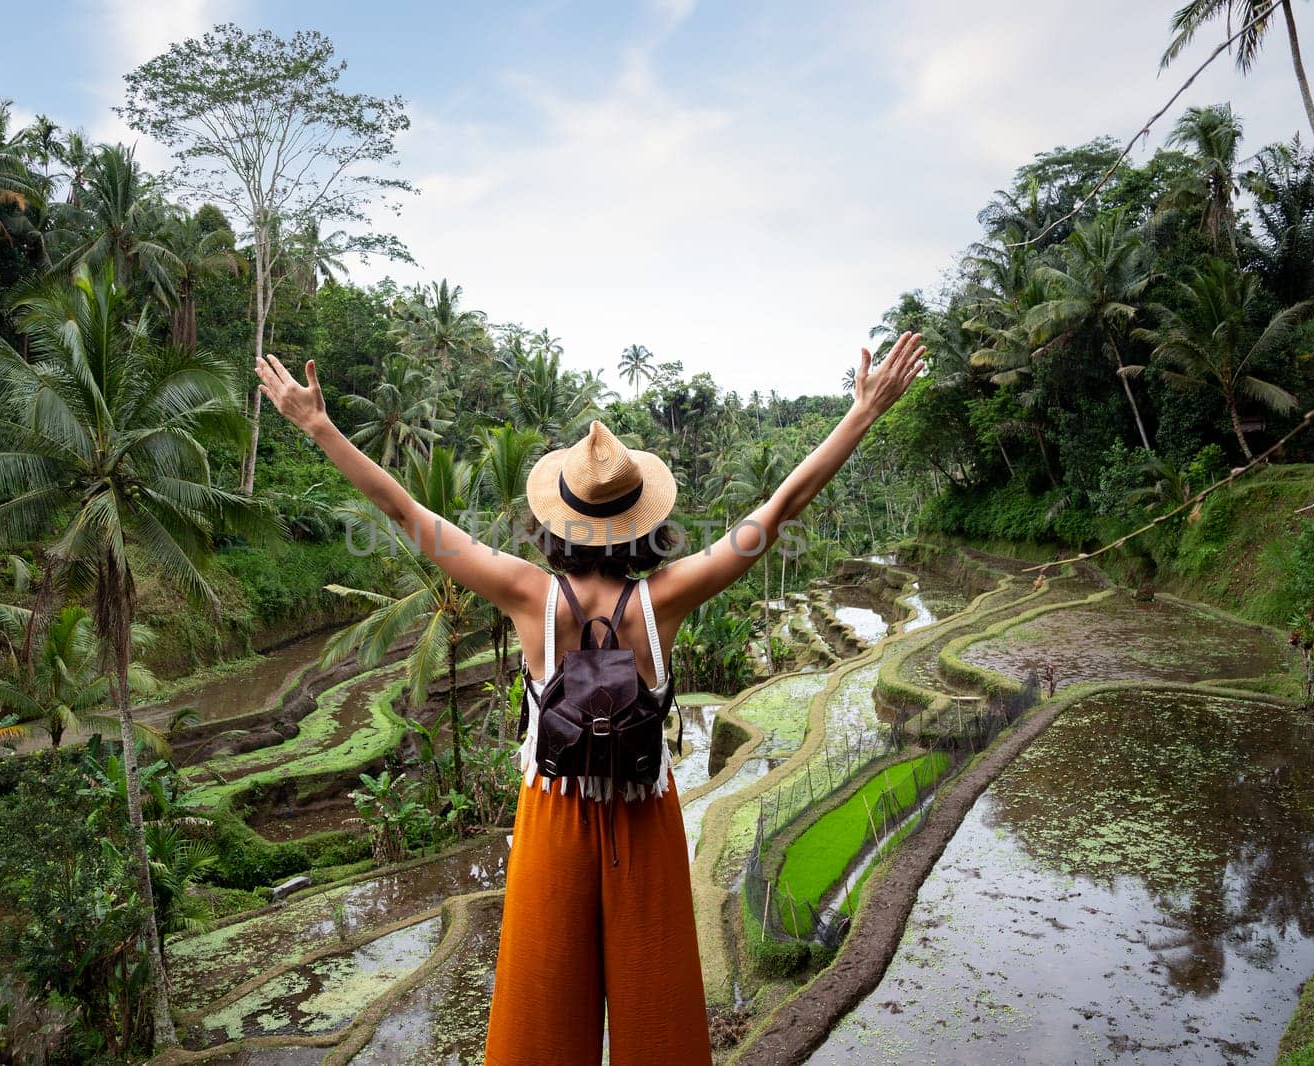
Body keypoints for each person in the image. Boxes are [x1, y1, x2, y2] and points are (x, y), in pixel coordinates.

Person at [254, 332, 927, 1065]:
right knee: (658, 1011)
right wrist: (863, 411)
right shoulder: (666, 596)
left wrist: (317, 425)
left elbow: (410, 514)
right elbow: (782, 505)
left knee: (540, 1017)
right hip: (643, 816)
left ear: (555, 521)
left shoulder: (525, 594)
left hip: (553, 815)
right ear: (644, 519)